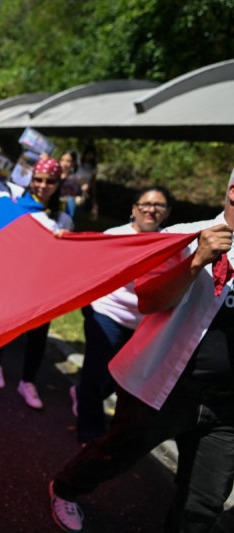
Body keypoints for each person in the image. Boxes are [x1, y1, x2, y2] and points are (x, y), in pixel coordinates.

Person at [49, 169, 234, 533]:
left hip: (226, 407)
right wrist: (196, 261)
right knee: (115, 453)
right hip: (164, 388)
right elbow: (149, 299)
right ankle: (66, 487)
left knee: (204, 504)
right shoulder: (181, 237)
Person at [72, 186, 173, 445]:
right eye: (145, 204)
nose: (151, 210)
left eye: (158, 206)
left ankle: (81, 394)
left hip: (143, 323)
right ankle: (90, 432)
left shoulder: (173, 244)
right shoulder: (114, 236)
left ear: (167, 213)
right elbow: (89, 269)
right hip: (106, 313)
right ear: (134, 209)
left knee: (118, 377)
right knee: (96, 372)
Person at [0, 157, 73, 409]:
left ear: (58, 184)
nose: (43, 185)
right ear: (31, 180)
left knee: (38, 336)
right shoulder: (15, 206)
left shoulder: (65, 220)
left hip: (43, 287)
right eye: (38, 179)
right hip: (11, 280)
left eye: (50, 181)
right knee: (0, 325)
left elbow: (65, 259)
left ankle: (28, 381)